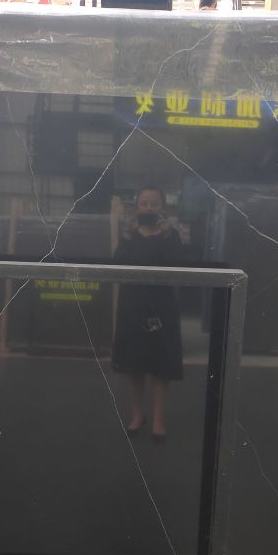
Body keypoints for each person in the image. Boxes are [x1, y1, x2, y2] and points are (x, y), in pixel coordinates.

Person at [112, 186, 184, 442]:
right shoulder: (129, 234)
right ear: (137, 207)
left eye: (154, 204)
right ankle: (137, 415)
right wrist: (127, 235)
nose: (149, 208)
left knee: (161, 363)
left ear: (162, 207)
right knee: (134, 364)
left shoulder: (170, 235)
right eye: (144, 203)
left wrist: (168, 236)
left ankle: (158, 420)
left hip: (162, 305)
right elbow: (117, 264)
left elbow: (178, 264)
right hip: (132, 304)